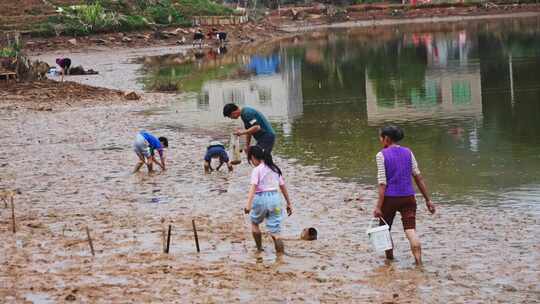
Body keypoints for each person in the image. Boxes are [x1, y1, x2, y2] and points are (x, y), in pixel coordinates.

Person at [373, 125, 436, 265]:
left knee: (385, 230)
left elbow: (382, 183)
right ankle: (419, 262)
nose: (380, 140)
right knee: (410, 230)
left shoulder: (381, 155)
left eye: (381, 137)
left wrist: (378, 207)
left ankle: (389, 261)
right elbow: (418, 177)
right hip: (408, 197)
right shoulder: (408, 152)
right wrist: (428, 200)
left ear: (386, 139)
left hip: (390, 199)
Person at [244, 146, 293, 254]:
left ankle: (259, 249)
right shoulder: (275, 169)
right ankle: (280, 256)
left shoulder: (257, 170)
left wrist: (248, 205)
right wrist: (289, 204)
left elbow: (253, 188)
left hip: (261, 199)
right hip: (276, 200)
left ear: (253, 157)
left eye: (251, 160)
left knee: (254, 223)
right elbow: (283, 187)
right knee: (276, 232)